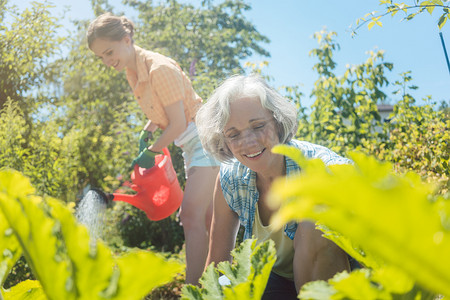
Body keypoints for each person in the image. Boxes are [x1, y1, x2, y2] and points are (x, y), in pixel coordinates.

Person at [86, 13, 220, 285]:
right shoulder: (132, 72)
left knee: (191, 214)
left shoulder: (159, 69)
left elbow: (177, 123)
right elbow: (166, 111)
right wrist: (148, 129)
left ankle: (194, 289)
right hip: (189, 144)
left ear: (126, 39)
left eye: (109, 52)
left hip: (204, 139)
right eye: (101, 57)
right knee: (208, 219)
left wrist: (151, 152)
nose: (107, 61)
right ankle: (217, 283)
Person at [195, 74, 351, 299]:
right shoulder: (230, 179)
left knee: (315, 225)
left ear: (278, 123)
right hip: (274, 284)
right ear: (225, 142)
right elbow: (218, 264)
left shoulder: (324, 168)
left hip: (333, 284)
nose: (248, 142)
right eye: (234, 134)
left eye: (258, 126)